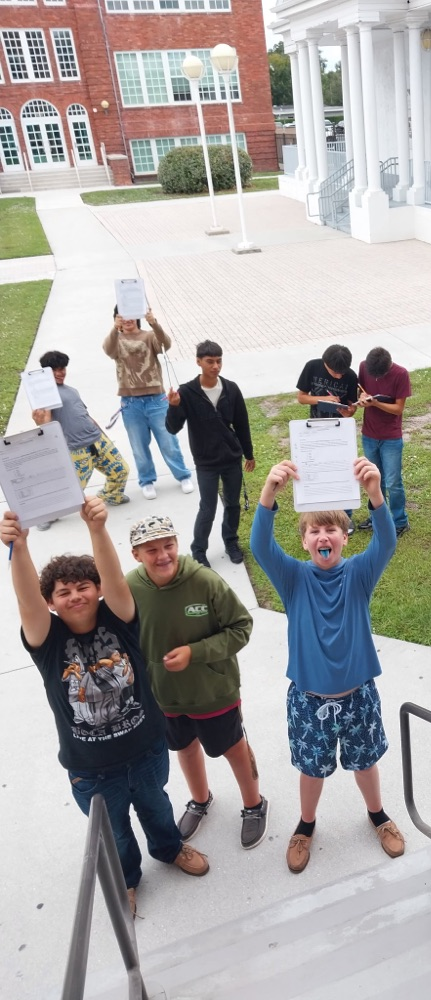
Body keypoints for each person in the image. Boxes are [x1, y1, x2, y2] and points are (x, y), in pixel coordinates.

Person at [0, 497, 209, 918]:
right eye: (64, 591)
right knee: (113, 834)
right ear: (52, 603)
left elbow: (114, 578)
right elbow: (26, 602)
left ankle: (169, 850)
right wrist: (18, 548)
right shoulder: (47, 641)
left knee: (157, 809)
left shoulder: (121, 620)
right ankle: (128, 880)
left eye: (84, 587)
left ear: (97, 591)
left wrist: (96, 529)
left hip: (147, 750)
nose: (75, 595)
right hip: (91, 769)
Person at [250, 457, 405, 874]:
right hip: (308, 698)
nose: (323, 536)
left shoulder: (358, 573)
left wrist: (374, 494)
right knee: (311, 769)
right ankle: (305, 825)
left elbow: (386, 543)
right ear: (303, 541)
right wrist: (269, 492)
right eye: (314, 530)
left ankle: (377, 816)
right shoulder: (293, 579)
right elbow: (260, 547)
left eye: (331, 529)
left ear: (345, 538)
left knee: (366, 762)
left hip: (359, 695)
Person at [127, 513, 269, 850]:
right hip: (164, 695)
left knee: (234, 747)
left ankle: (254, 803)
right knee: (184, 748)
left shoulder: (205, 581)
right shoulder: (129, 587)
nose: (163, 555)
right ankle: (200, 799)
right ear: (136, 555)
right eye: (151, 550)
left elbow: (241, 627)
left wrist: (195, 652)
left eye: (168, 545)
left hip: (213, 691)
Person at [165, 340, 255, 567]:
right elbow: (172, 428)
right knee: (208, 507)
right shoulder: (186, 392)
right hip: (206, 461)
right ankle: (199, 550)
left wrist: (249, 454)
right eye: (210, 361)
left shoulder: (231, 389)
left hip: (231, 458)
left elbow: (242, 424)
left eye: (218, 361)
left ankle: (231, 542)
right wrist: (174, 407)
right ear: (198, 362)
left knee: (233, 504)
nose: (215, 366)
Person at [32, 350, 130, 532]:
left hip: (98, 441)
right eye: (56, 370)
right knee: (73, 490)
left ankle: (111, 495)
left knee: (121, 471)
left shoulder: (71, 391)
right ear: (46, 372)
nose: (61, 373)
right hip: (77, 449)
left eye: (63, 369)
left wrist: (103, 435)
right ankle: (48, 515)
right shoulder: (45, 396)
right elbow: (45, 423)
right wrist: (41, 424)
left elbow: (85, 415)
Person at [103, 306, 193, 501]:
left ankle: (183, 475)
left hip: (156, 400)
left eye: (130, 315)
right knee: (139, 446)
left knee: (169, 441)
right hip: (130, 403)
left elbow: (165, 345)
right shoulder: (116, 340)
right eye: (122, 316)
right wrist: (114, 328)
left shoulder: (149, 336)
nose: (127, 320)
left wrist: (154, 323)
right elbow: (108, 351)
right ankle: (147, 480)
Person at [297, 344, 359, 534]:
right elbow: (301, 397)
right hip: (315, 429)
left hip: (340, 431)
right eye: (335, 372)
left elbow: (351, 409)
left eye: (343, 373)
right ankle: (318, 518)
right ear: (325, 363)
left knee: (343, 473)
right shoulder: (312, 367)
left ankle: (345, 518)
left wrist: (348, 410)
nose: (340, 376)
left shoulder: (350, 376)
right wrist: (324, 399)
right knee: (318, 474)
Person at [357, 347, 411, 537]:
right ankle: (377, 518)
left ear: (389, 365)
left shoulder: (401, 374)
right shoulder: (364, 367)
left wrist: (376, 403)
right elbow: (359, 390)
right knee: (373, 479)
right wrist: (362, 397)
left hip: (391, 437)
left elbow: (398, 409)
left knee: (393, 481)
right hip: (369, 434)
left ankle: (399, 521)